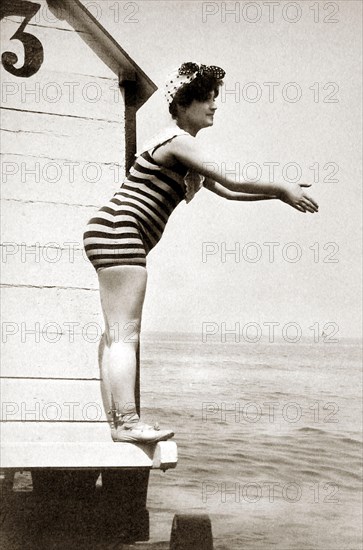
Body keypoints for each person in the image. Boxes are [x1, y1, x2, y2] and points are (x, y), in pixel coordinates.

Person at [83, 62, 318, 444]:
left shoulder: (179, 147)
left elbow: (229, 191)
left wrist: (280, 192)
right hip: (121, 231)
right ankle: (126, 423)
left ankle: (119, 420)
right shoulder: (179, 142)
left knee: (115, 334)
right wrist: (280, 186)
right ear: (184, 103)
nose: (214, 105)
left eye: (215, 98)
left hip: (107, 229)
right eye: (207, 98)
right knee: (124, 334)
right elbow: (232, 176)